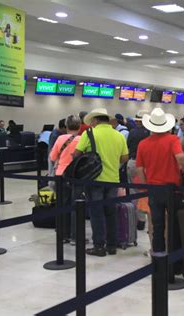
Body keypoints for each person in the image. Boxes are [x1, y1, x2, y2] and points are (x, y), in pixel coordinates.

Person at [135, 108, 184, 254]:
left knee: (157, 225)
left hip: (153, 189)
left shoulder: (143, 144)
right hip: (171, 188)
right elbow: (180, 157)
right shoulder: (173, 139)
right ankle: (173, 257)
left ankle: (158, 256)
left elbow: (139, 169)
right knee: (173, 224)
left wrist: (145, 188)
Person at [74, 108, 129, 257]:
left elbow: (76, 154)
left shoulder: (89, 134)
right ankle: (112, 245)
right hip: (113, 179)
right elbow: (125, 158)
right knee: (111, 212)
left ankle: (99, 246)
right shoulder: (118, 135)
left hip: (94, 179)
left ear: (96, 120)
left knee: (96, 213)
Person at [49, 115, 81, 243]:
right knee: (76, 206)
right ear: (79, 126)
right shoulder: (82, 139)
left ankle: (63, 235)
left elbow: (52, 157)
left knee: (62, 204)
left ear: (66, 126)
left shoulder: (60, 138)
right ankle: (75, 236)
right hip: (76, 176)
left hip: (60, 174)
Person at [126, 110, 150, 231]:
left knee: (134, 192)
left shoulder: (132, 132)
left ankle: (136, 219)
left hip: (134, 162)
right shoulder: (150, 134)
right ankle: (144, 218)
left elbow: (128, 146)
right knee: (145, 192)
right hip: (148, 165)